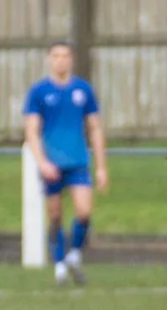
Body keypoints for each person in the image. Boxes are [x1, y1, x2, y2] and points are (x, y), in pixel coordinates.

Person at [23, 42, 108, 286]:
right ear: (49, 60)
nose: (61, 60)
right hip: (52, 164)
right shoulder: (38, 92)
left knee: (84, 212)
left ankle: (74, 255)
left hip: (78, 161)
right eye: (56, 56)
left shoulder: (83, 90)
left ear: (72, 60)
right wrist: (42, 162)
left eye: (65, 56)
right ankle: (59, 266)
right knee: (56, 215)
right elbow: (31, 130)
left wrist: (101, 166)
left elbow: (95, 127)